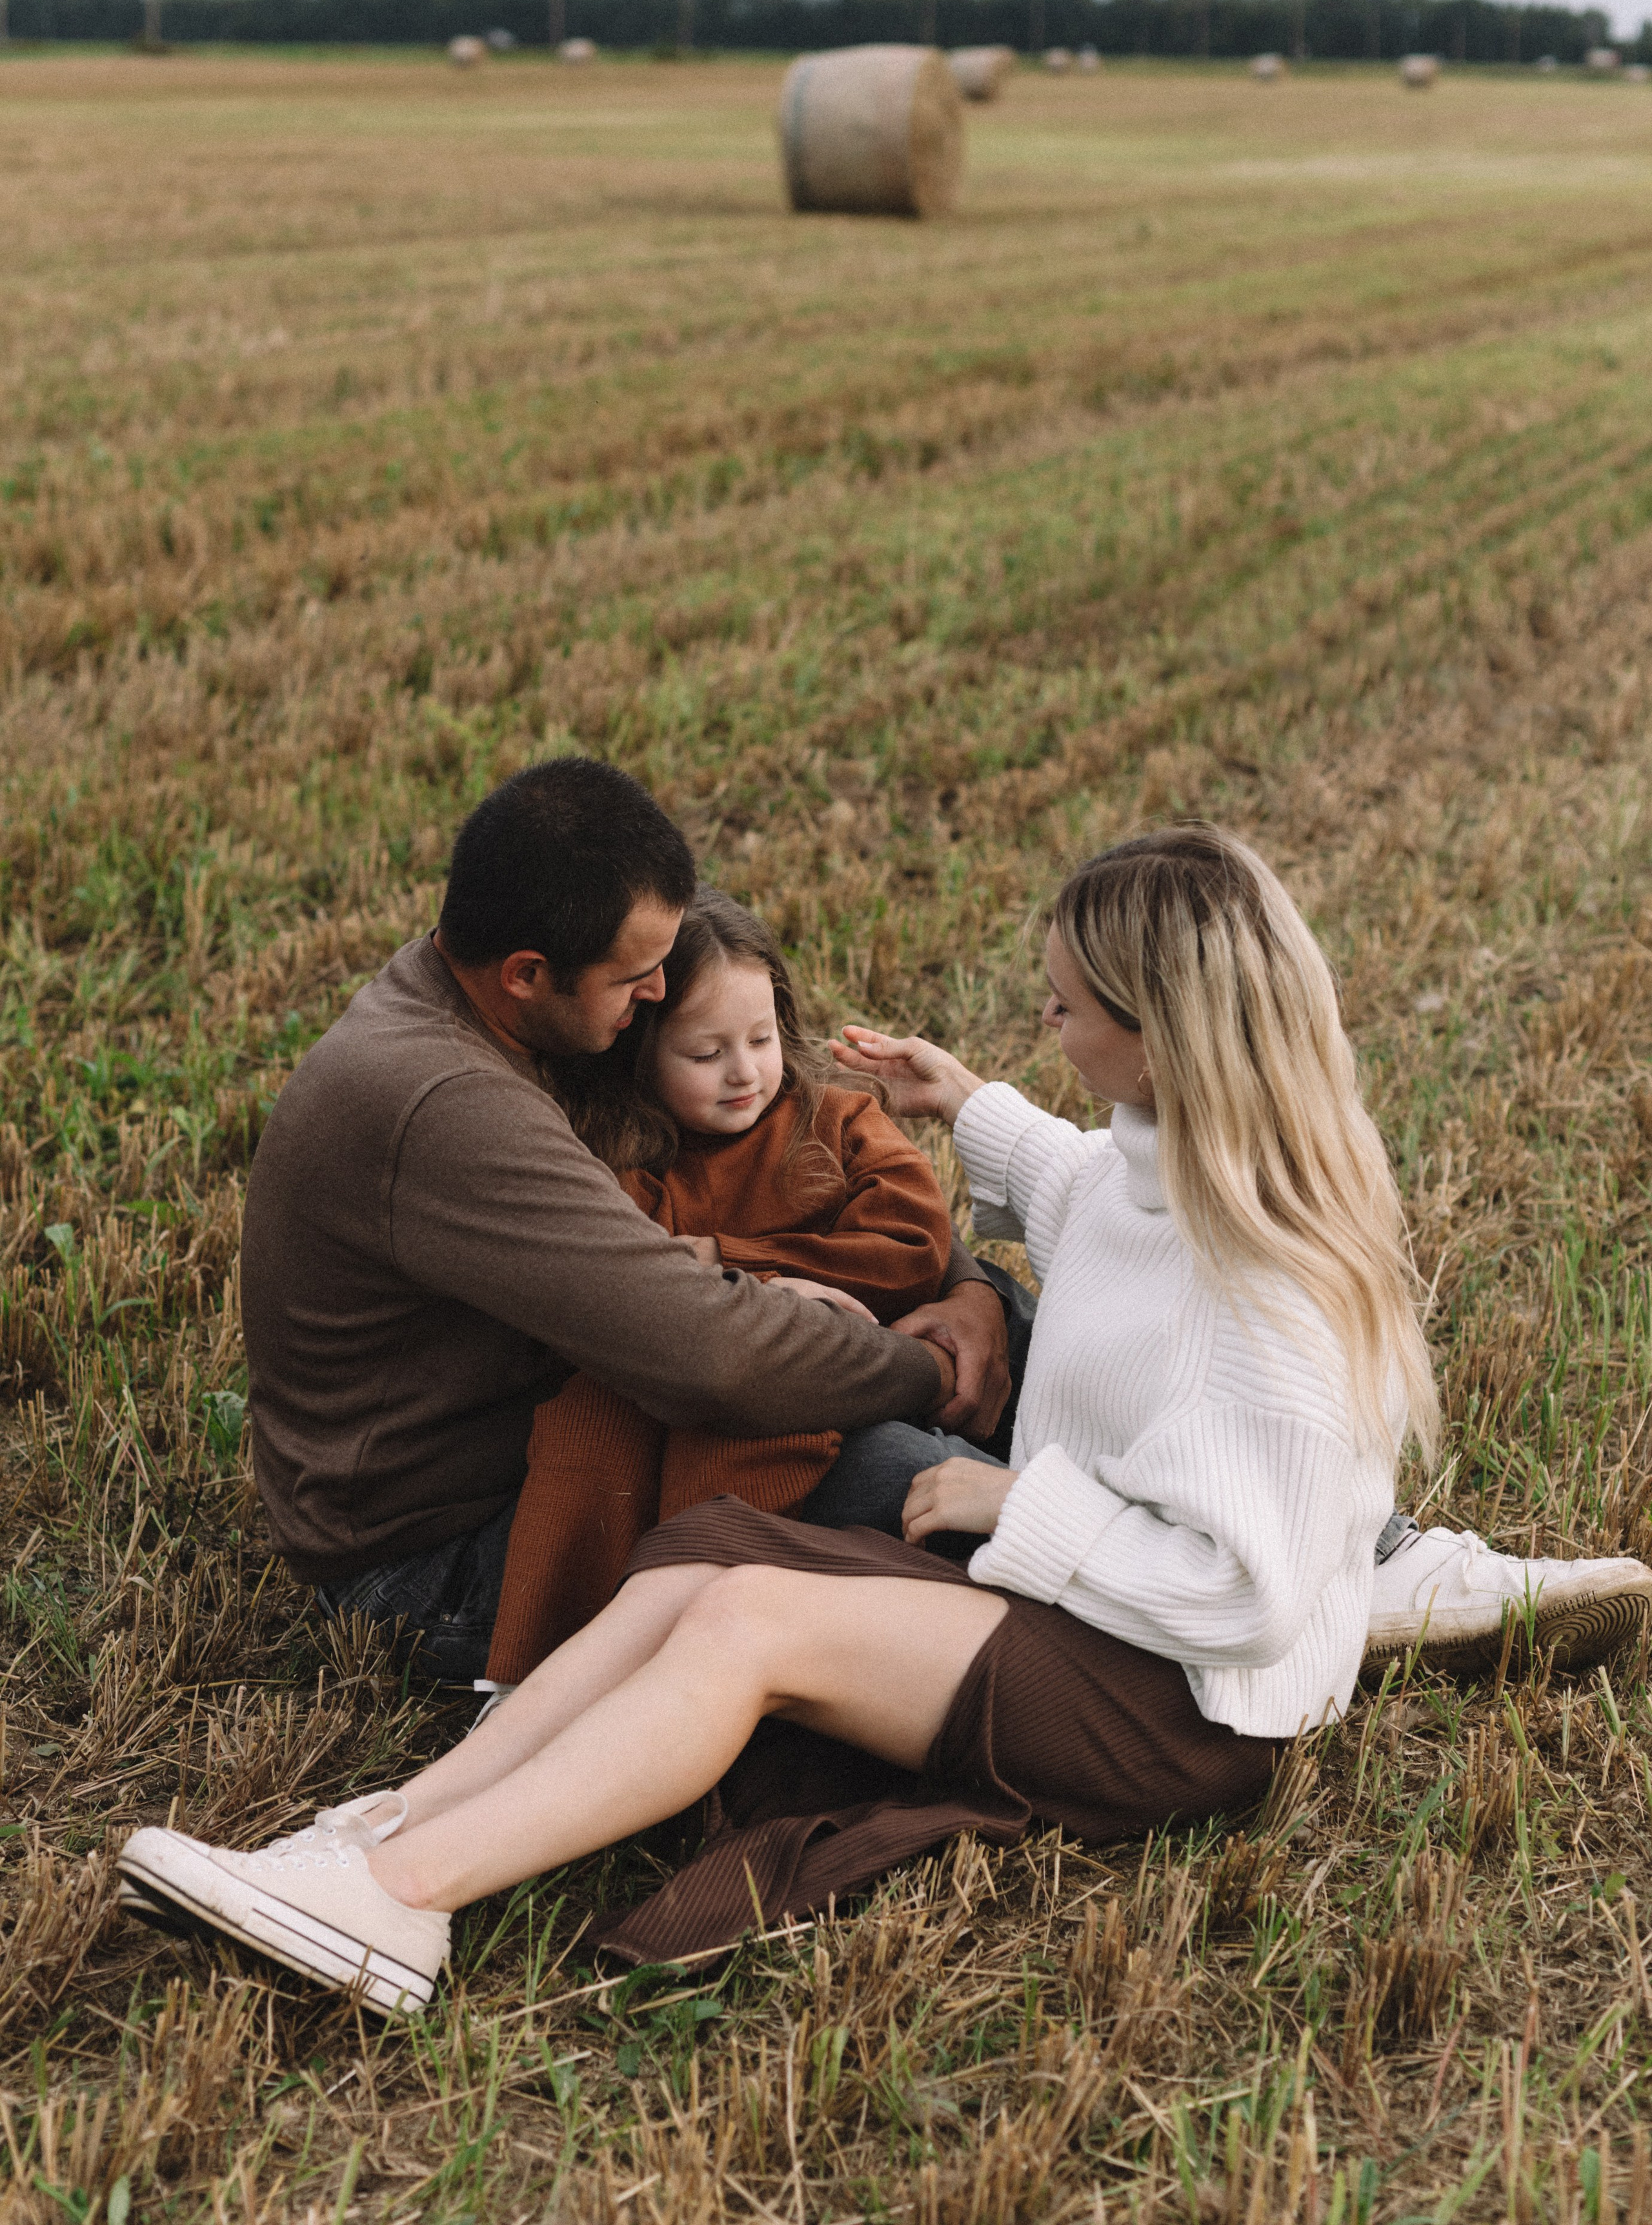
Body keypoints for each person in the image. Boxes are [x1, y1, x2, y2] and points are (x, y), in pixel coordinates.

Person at [127, 824, 1638, 2019]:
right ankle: (369, 1837)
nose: (1036, 1011)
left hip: (1166, 1702)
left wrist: (1014, 1511)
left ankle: (413, 1901)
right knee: (700, 1554)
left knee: (747, 1628)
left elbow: (1237, 1604)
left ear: (1157, 1031)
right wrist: (962, 1102)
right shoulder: (1153, 1157)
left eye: (1060, 1001)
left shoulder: (1270, 1306)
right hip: (1109, 1629)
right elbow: (1072, 1190)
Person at [238, 757, 1011, 1687]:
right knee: (905, 1480)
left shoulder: (508, 999)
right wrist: (924, 1368)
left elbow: (791, 1168)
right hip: (448, 1553)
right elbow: (712, 1353)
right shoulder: (448, 1103)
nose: (656, 996)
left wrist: (964, 1286)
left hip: (579, 1411)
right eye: (637, 975)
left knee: (1010, 1313)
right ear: (528, 972)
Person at [482, 884, 963, 1684]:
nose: (745, 1072)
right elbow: (632, 1299)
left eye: (763, 1039)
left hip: (833, 1387)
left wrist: (730, 1260)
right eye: (705, 1054)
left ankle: (705, 1646)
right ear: (637, 1058)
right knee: (585, 1428)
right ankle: (545, 1666)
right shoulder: (629, 1172)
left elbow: (910, 1249)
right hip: (695, 1399)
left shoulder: (836, 1123)